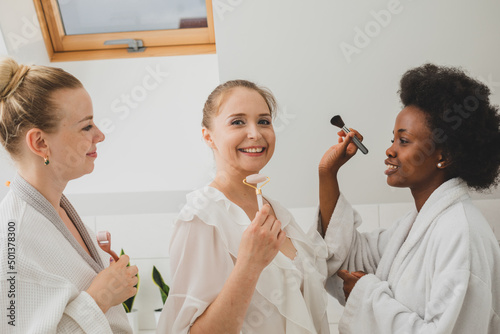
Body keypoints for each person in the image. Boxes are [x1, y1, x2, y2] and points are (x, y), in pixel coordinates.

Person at [157, 80, 350, 333]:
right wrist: (249, 265)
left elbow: (321, 261)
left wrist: (327, 173)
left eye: (264, 121)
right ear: (208, 136)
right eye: (237, 122)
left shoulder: (276, 211)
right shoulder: (201, 218)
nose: (255, 134)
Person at [319, 63, 500, 333]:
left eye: (403, 141)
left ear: (444, 156)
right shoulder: (415, 225)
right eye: (393, 139)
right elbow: (351, 257)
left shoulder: (460, 234)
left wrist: (366, 295)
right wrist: (327, 173)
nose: (390, 150)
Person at [0, 57, 138, 333]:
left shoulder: (57, 210)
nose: (100, 135)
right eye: (86, 126)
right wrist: (100, 298)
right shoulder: (11, 240)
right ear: (40, 143)